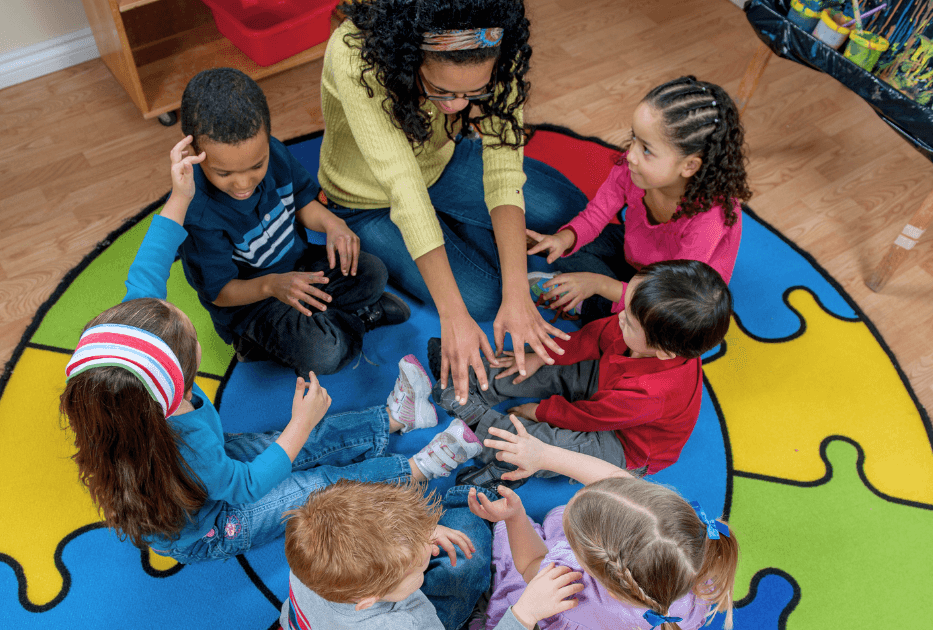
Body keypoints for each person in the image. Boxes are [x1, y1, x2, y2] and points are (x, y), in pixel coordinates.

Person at [57, 138, 484, 565]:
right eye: (190, 335)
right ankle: (416, 471)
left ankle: (397, 418)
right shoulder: (186, 442)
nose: (181, 314)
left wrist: (181, 195)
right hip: (218, 524)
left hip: (205, 471)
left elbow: (149, 260)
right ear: (181, 382)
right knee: (321, 485)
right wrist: (298, 424)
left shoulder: (126, 365)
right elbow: (242, 487)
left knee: (300, 442)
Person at [320, 0, 590, 402]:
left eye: (473, 92)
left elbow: (503, 167)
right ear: (409, 56)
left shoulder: (497, 41)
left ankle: (459, 229)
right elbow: (404, 189)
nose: (456, 107)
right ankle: (458, 233)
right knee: (481, 300)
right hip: (367, 199)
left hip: (443, 164)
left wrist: (519, 291)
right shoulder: (355, 54)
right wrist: (453, 316)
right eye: (441, 90)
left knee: (564, 210)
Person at [176, 67, 409, 376]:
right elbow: (220, 292)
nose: (243, 183)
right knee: (327, 353)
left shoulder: (274, 152)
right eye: (224, 173)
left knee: (372, 272)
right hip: (254, 302)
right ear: (192, 152)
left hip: (299, 266)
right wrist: (273, 285)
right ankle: (264, 342)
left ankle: (319, 324)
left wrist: (331, 225)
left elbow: (301, 200)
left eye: (256, 166)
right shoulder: (197, 211)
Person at [432, 260, 731, 485]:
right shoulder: (639, 330)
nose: (619, 317)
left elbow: (591, 417)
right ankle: (471, 380)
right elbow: (592, 338)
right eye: (625, 307)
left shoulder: (653, 394)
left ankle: (484, 433)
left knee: (556, 445)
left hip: (623, 447)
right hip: (610, 388)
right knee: (554, 368)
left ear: (664, 351)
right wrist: (542, 356)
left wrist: (540, 411)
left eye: (629, 320)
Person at [465, 415, 739, 630]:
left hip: (560, 606)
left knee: (512, 562)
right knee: (569, 516)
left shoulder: (572, 581)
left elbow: (529, 564)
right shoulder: (688, 564)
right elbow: (616, 482)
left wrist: (514, 518)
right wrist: (545, 455)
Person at [527, 76, 749, 324]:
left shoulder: (708, 219)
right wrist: (563, 239)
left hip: (677, 292)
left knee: (650, 325)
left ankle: (596, 307)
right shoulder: (633, 169)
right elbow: (596, 214)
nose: (630, 154)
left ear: (689, 166)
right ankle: (600, 298)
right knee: (572, 247)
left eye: (646, 149)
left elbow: (669, 295)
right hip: (638, 261)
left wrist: (600, 284)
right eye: (634, 137)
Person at [281, 480, 585, 630]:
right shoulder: (405, 625)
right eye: (418, 566)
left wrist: (422, 531)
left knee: (462, 539)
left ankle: (465, 502)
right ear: (369, 599)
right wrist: (524, 614)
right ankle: (471, 493)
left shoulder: (312, 556)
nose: (429, 549)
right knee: (469, 557)